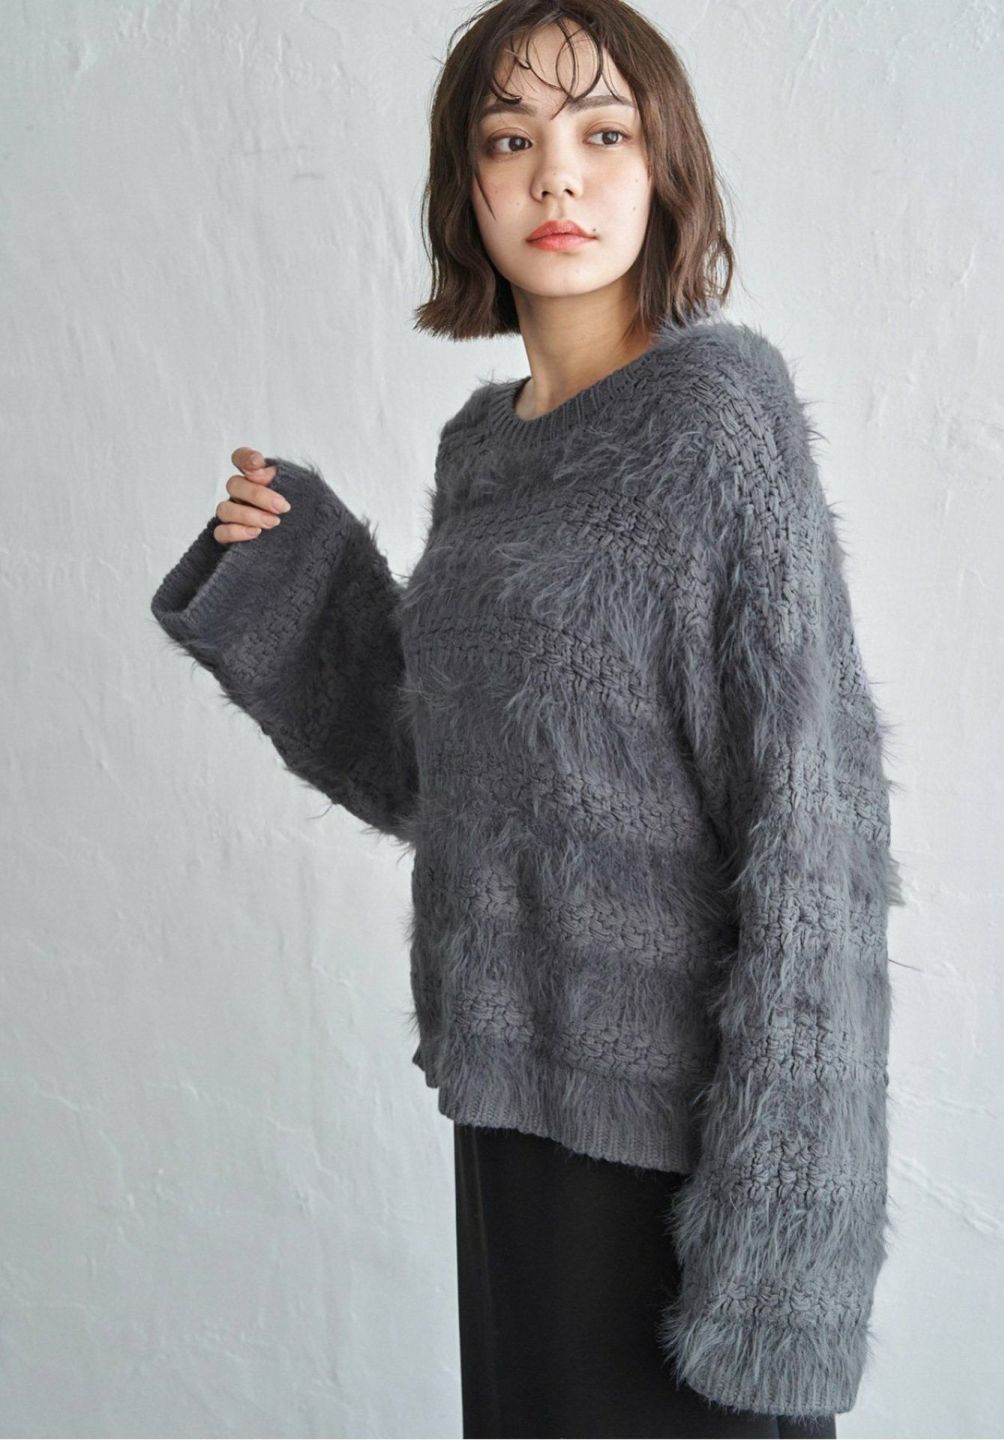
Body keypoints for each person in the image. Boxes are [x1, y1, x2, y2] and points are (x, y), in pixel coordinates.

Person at [150, 3, 904, 1436]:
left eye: (603, 133)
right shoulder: (482, 449)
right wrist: (298, 572)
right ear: (469, 188)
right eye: (510, 141)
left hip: (678, 1161)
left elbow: (815, 832)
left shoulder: (718, 419)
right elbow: (456, 778)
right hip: (513, 1117)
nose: (557, 174)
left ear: (665, 167)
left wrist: (785, 1237)